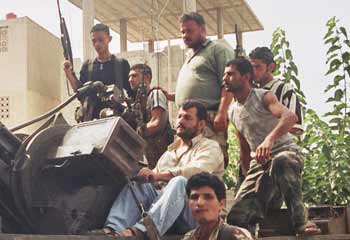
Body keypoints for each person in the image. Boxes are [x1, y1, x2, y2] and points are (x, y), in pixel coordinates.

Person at [94, 100, 224, 237]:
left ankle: (143, 232)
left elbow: (197, 172)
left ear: (201, 124)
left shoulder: (210, 146)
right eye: (179, 116)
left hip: (198, 214)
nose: (181, 121)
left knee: (179, 182)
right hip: (167, 216)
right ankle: (112, 231)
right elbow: (154, 178)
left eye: (187, 118)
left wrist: (158, 175)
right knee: (139, 184)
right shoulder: (170, 152)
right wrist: (146, 175)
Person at [222, 58, 320, 235]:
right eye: (224, 74)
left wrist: (269, 140)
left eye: (230, 74)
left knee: (281, 161)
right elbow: (244, 147)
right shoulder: (232, 110)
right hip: (260, 165)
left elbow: (290, 117)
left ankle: (301, 222)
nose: (225, 78)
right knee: (236, 217)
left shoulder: (263, 96)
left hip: (287, 154)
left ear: (245, 77)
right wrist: (246, 180)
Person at [165, 12, 235, 167]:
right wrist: (170, 96)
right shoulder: (191, 56)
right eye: (183, 32)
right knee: (186, 165)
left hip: (208, 119)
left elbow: (229, 85)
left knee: (208, 166)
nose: (185, 35)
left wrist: (222, 112)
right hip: (187, 120)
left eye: (190, 31)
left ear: (203, 30)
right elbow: (198, 88)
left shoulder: (217, 50)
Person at [63, 23, 133, 120]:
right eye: (94, 41)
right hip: (92, 120)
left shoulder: (121, 64)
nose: (97, 44)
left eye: (100, 40)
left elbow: (131, 93)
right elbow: (80, 92)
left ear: (109, 39)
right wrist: (69, 75)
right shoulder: (87, 66)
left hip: (115, 119)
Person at [249, 46, 304, 135]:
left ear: (271, 67)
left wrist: (271, 134)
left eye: (258, 67)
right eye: (252, 68)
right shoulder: (252, 92)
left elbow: (296, 127)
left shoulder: (284, 88)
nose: (254, 71)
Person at [128, 63, 173, 168]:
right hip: (150, 157)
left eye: (134, 76)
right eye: (129, 77)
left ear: (147, 77)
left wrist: (136, 134)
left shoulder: (155, 94)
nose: (130, 79)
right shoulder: (137, 103)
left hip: (163, 156)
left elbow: (157, 123)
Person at [182, 172, 253, 240]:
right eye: (194, 197)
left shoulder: (236, 236)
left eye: (208, 197)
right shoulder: (189, 237)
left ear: (221, 204)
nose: (200, 203)